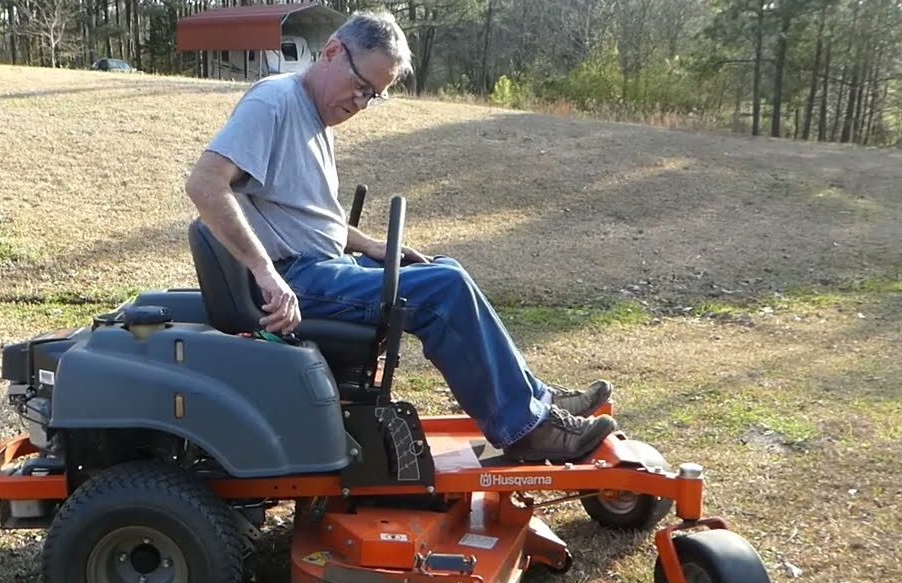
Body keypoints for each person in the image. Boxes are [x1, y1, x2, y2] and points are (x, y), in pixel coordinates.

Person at [183, 10, 617, 462]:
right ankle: (528, 430)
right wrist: (265, 272)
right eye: (361, 85)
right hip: (296, 281)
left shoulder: (313, 118)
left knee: (442, 268)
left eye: (374, 95)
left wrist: (372, 246)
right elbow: (206, 183)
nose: (361, 102)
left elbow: (303, 217)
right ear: (332, 51)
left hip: (319, 268)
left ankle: (535, 399)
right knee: (442, 289)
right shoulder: (274, 101)